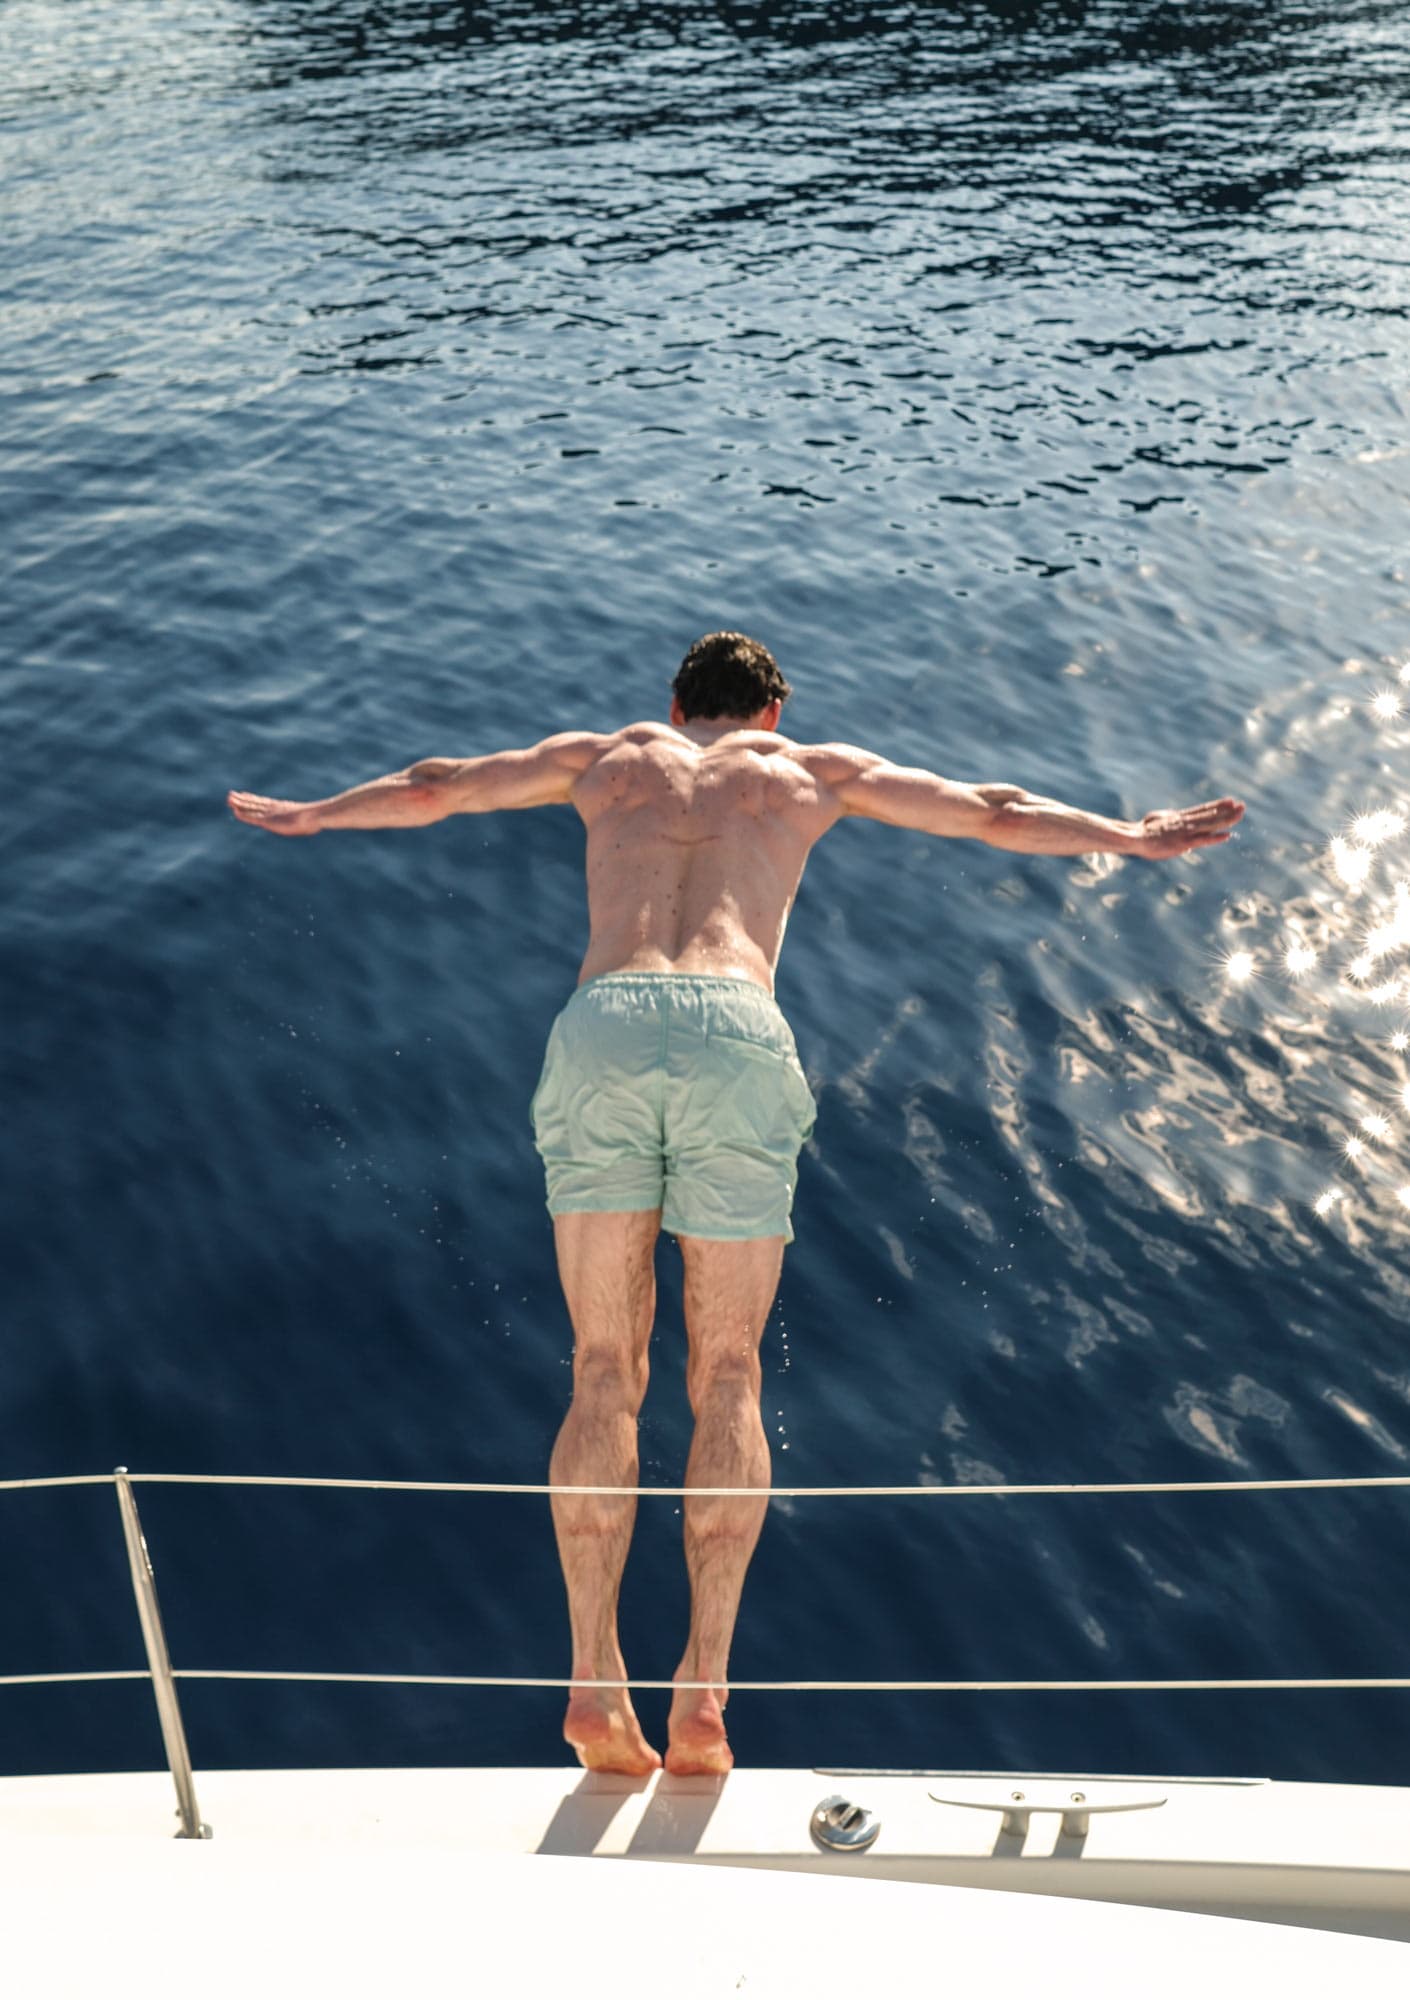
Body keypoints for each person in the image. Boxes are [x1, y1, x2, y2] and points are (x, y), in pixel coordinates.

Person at [228, 630, 1244, 1777]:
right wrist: (1127, 834)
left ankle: (592, 1676)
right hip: (733, 1026)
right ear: (772, 710)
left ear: (675, 703)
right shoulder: (812, 771)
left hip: (605, 1024)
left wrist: (315, 810)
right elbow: (994, 808)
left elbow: (439, 787)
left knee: (604, 1366)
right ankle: (702, 1686)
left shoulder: (602, 756)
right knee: (729, 1373)